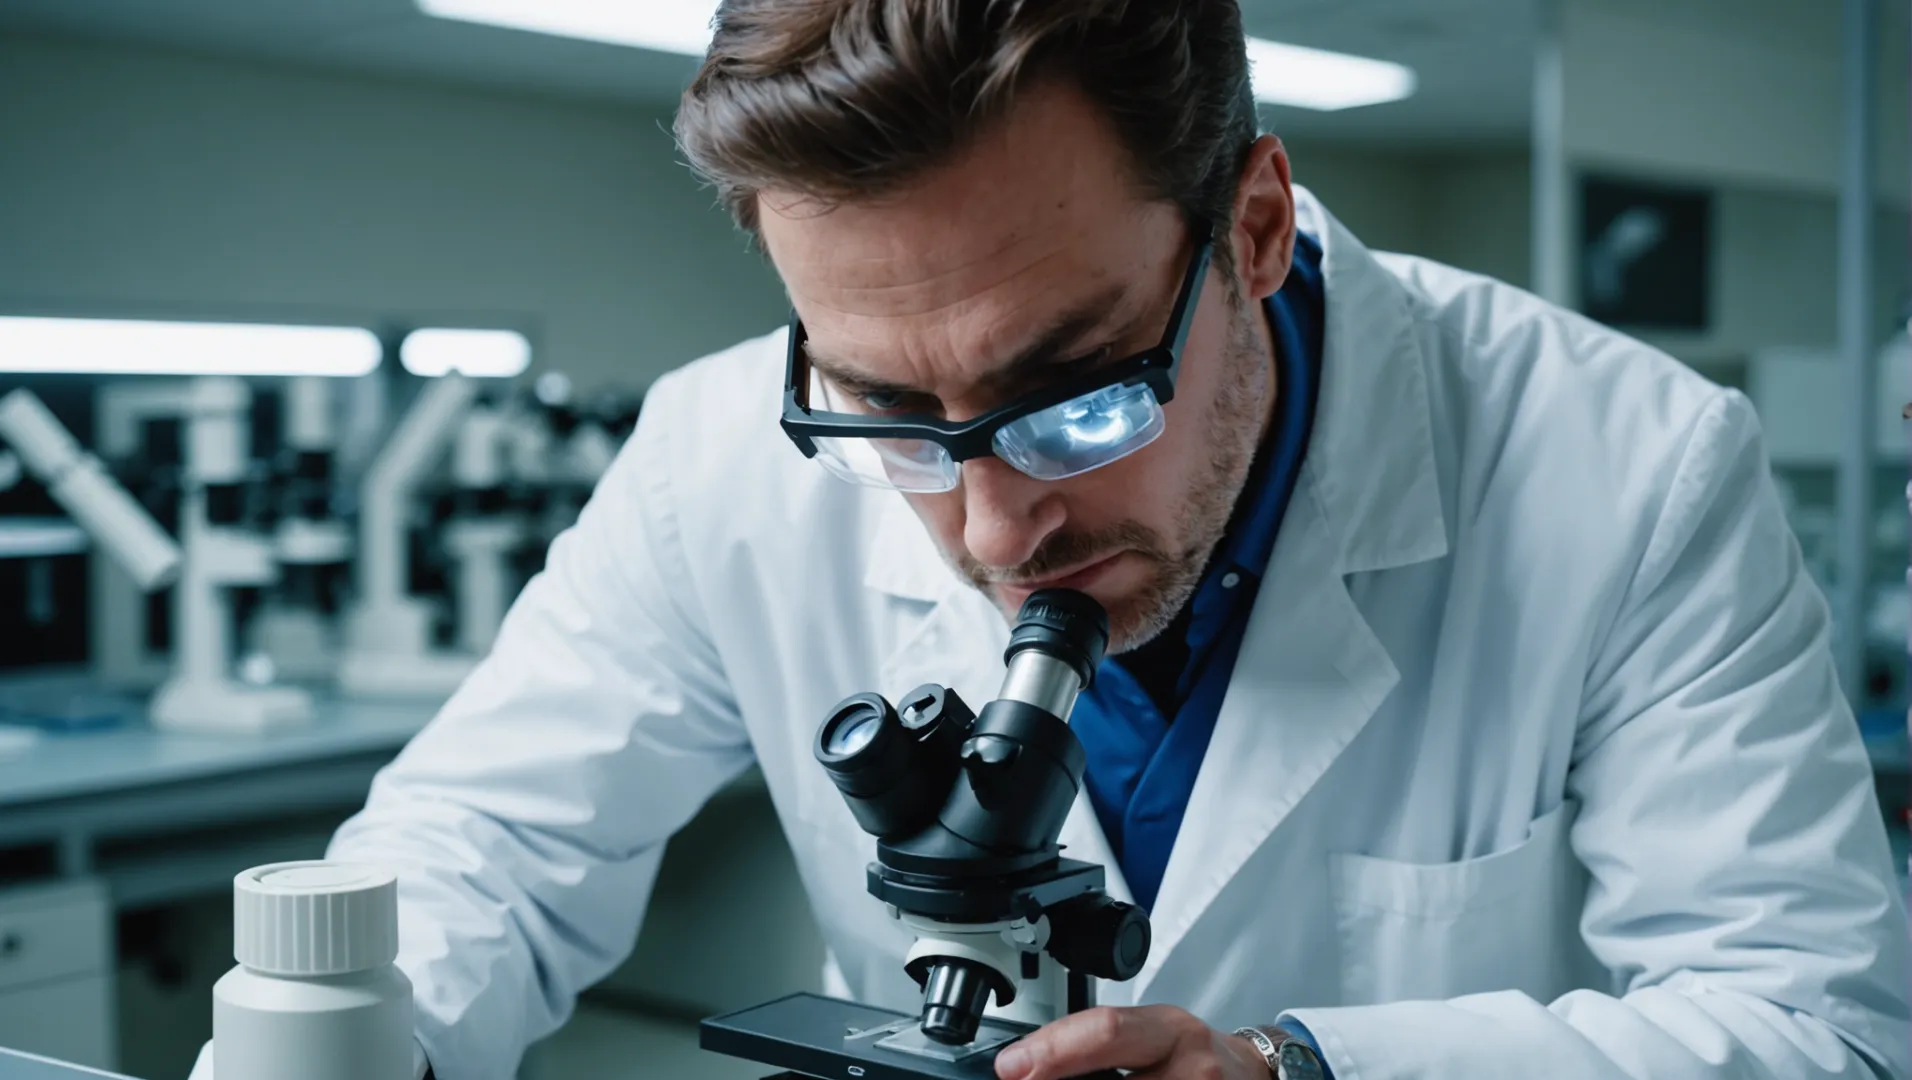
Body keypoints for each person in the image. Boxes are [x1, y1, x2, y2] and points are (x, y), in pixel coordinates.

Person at [195, 2, 1912, 1078]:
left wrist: (1295, 1065)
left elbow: (1809, 1024)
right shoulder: (720, 450)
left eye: (1074, 395)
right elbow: (486, 838)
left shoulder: (1630, 465)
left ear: (1249, 229)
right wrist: (352, 1036)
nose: (996, 521)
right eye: (885, 413)